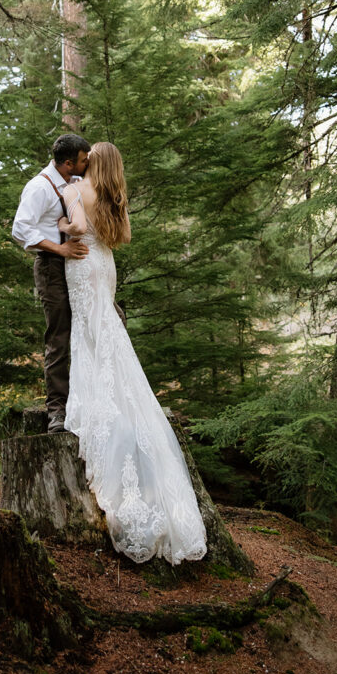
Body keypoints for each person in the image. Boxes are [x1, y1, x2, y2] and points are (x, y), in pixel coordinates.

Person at [58, 141, 208, 565]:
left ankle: (100, 411)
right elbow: (116, 236)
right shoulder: (112, 197)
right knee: (106, 336)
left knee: (91, 336)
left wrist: (62, 222)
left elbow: (74, 226)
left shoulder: (76, 190)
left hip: (82, 263)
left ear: (94, 164)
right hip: (105, 267)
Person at [12, 134, 91, 434]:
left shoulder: (72, 183)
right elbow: (20, 229)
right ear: (69, 163)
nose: (88, 164)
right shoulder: (39, 187)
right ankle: (57, 412)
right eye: (84, 160)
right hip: (51, 266)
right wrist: (60, 249)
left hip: (77, 267)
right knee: (59, 337)